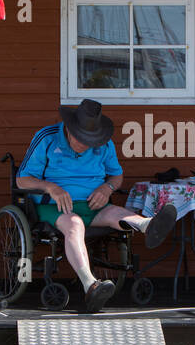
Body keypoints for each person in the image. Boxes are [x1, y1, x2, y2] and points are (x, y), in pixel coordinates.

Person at [16, 99, 178, 313]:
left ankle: (148, 225)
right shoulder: (47, 138)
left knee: (115, 213)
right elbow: (22, 180)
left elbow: (116, 175)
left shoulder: (103, 143)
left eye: (90, 139)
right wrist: (51, 188)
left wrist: (107, 188)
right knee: (75, 225)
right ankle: (91, 285)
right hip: (55, 206)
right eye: (81, 138)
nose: (86, 144)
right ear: (69, 128)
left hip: (93, 204)